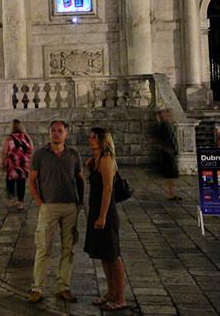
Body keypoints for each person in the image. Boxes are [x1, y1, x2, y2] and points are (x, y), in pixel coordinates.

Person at [28, 120, 84, 304]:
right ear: (49, 133)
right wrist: (39, 201)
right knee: (44, 247)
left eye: (60, 131)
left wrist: (80, 202)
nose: (56, 134)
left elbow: (80, 179)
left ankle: (63, 287)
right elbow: (32, 179)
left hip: (70, 206)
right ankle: (38, 288)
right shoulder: (40, 154)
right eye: (53, 131)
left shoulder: (73, 155)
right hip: (49, 206)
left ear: (66, 134)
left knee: (68, 248)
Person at [84, 128, 127, 311]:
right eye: (90, 136)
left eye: (94, 137)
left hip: (106, 213)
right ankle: (110, 292)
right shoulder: (97, 160)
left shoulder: (107, 159)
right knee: (103, 254)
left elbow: (108, 189)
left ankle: (120, 297)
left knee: (113, 255)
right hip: (96, 210)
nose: (90, 139)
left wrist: (102, 216)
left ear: (102, 140)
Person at [1, 119, 34, 210]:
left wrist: (2, 161)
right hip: (23, 164)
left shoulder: (10, 138)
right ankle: (21, 203)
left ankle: (12, 197)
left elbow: (5, 151)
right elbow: (31, 149)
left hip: (12, 164)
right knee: (21, 183)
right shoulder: (26, 137)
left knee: (10, 181)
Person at [155, 109, 182, 201]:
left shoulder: (166, 125)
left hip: (169, 153)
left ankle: (171, 194)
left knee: (170, 176)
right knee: (170, 176)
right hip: (168, 154)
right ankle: (170, 194)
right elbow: (161, 141)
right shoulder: (164, 126)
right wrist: (169, 150)